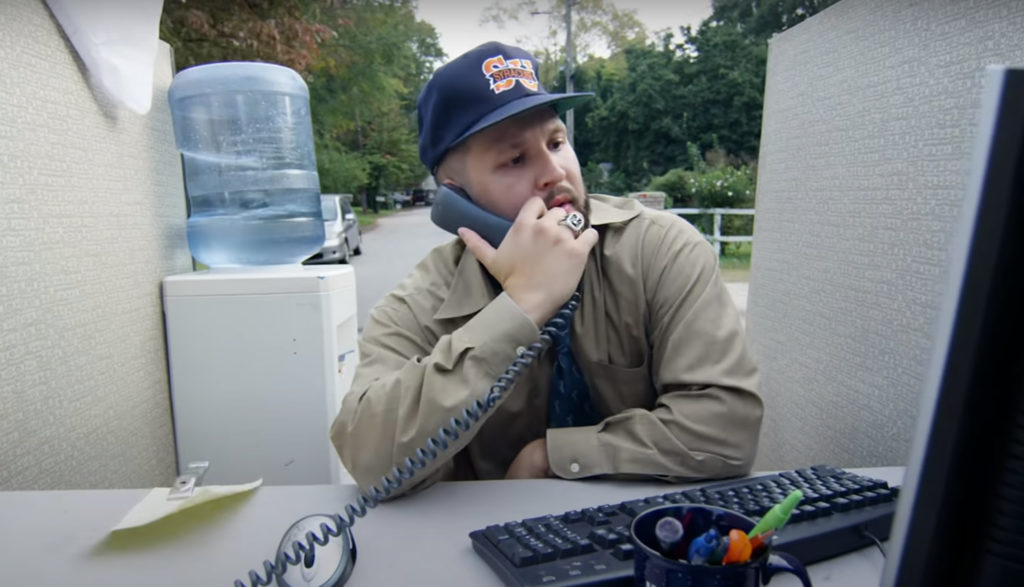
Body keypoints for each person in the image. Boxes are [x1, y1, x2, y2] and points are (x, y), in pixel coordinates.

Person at [330, 41, 763, 497]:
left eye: (556, 142)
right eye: (515, 160)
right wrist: (520, 307)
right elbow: (367, 457)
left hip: (654, 536)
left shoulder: (660, 249)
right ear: (456, 198)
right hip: (483, 546)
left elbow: (728, 428)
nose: (554, 171)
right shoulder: (423, 300)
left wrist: (552, 458)